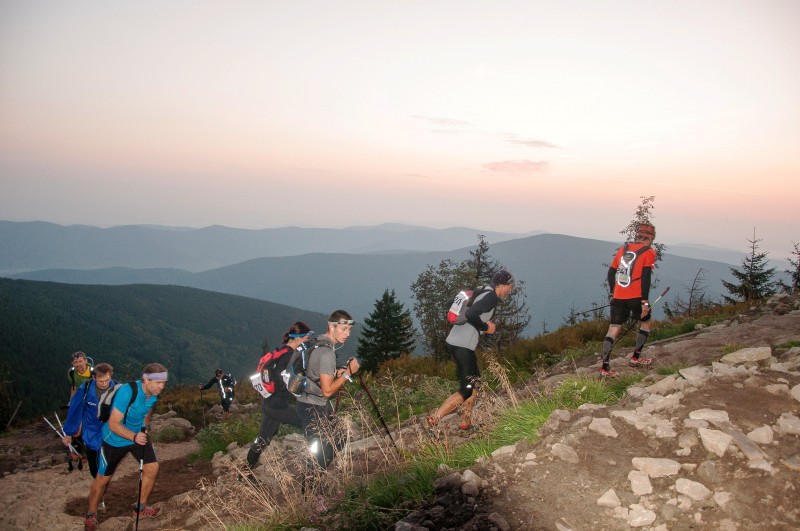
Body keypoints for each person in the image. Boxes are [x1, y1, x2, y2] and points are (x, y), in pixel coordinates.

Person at [427, 269, 515, 434]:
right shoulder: (491, 298)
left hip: (457, 342)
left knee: (476, 383)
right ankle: (433, 421)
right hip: (462, 346)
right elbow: (471, 313)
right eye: (509, 286)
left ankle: (465, 422)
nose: (510, 289)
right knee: (467, 389)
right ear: (502, 285)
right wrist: (486, 327)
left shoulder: (482, 290)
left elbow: (450, 303)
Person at [84, 363, 168, 531]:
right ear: (145, 380)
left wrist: (144, 426)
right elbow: (114, 424)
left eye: (163, 382)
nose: (161, 386)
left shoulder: (154, 393)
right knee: (103, 479)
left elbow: (148, 410)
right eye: (157, 382)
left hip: (137, 435)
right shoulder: (127, 392)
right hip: (114, 439)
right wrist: (134, 436)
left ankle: (141, 508)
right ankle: (91, 514)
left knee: (152, 468)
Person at [243, 321, 314, 482]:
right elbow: (282, 380)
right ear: (297, 339)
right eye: (306, 338)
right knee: (310, 425)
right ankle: (312, 471)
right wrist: (301, 390)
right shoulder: (289, 356)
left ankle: (244, 474)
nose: (307, 341)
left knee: (263, 439)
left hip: (270, 403)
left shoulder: (281, 352)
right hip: (278, 405)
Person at [296, 310, 360, 475]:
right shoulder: (327, 353)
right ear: (332, 326)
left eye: (349, 330)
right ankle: (312, 489)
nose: (347, 334)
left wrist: (335, 373)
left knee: (336, 437)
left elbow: (315, 371)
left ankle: (314, 482)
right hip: (313, 407)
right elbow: (327, 391)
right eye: (343, 329)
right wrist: (348, 374)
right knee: (321, 450)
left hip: (307, 402)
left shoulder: (318, 341)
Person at [599, 223, 658, 377]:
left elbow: (611, 272)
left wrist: (613, 291)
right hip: (636, 296)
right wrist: (644, 302)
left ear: (637, 236)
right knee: (645, 322)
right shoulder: (648, 252)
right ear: (650, 238)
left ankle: (605, 368)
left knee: (613, 328)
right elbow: (646, 277)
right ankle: (635, 358)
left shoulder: (623, 250)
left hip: (618, 296)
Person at [62, 363, 116, 480]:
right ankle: (98, 483)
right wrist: (69, 434)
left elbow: (127, 410)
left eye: (107, 380)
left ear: (111, 376)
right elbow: (75, 410)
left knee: (107, 462)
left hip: (109, 430)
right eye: (100, 381)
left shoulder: (117, 389)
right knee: (93, 464)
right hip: (90, 431)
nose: (104, 384)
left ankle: (102, 484)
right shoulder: (85, 388)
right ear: (94, 377)